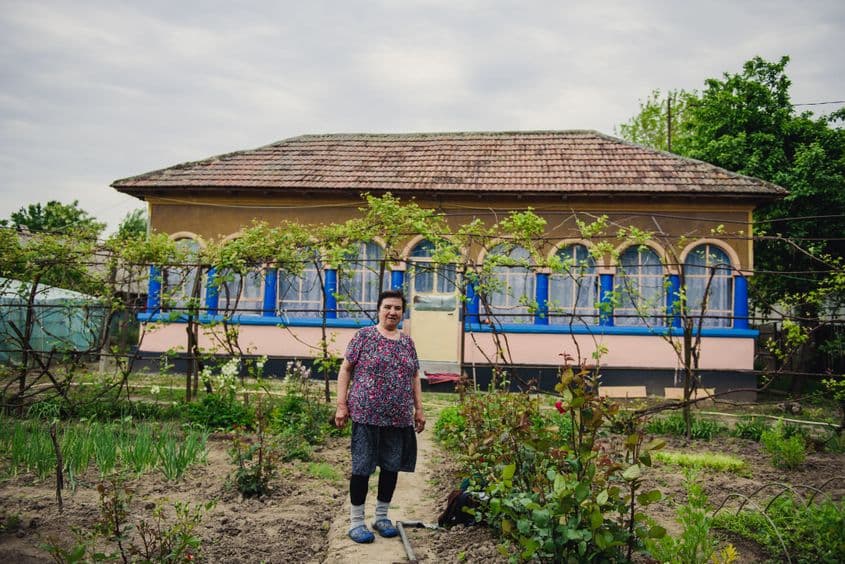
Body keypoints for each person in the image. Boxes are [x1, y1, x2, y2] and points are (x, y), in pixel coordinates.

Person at [334, 289, 426, 544]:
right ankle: (356, 522)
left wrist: (419, 409)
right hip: (366, 415)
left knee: (390, 467)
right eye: (388, 307)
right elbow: (346, 369)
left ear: (402, 313)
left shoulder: (407, 343)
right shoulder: (364, 336)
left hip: (398, 418)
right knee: (362, 468)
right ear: (379, 309)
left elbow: (414, 376)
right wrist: (341, 405)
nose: (392, 312)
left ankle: (381, 517)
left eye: (397, 308)